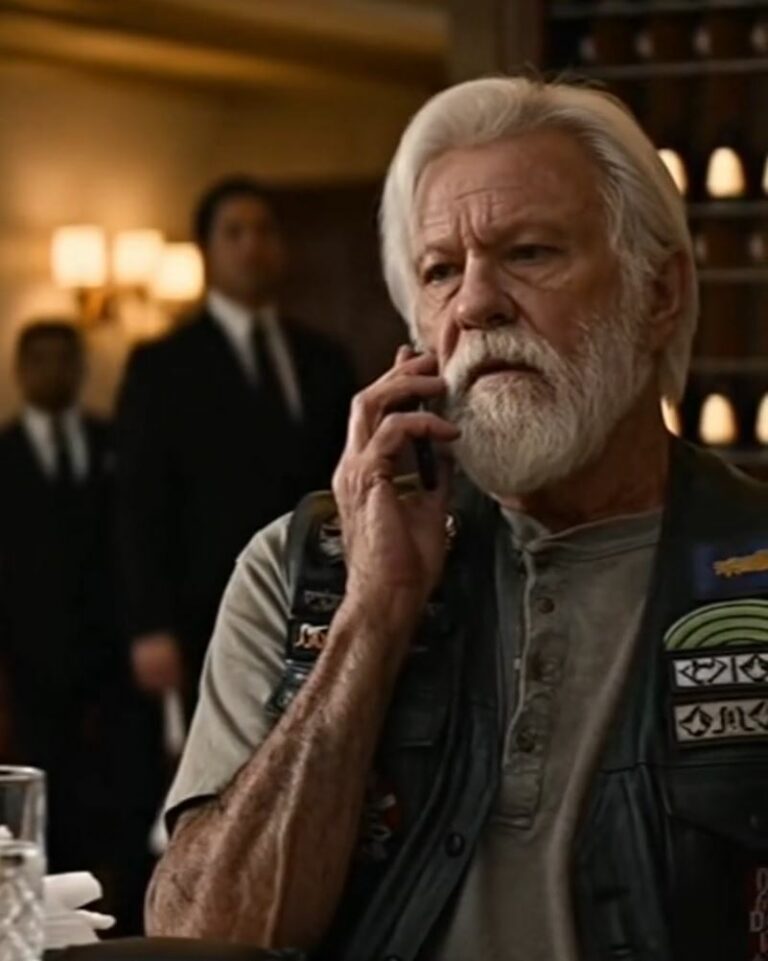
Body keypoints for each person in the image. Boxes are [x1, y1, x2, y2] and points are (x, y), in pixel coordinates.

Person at [145, 77, 768, 961]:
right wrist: (374, 614)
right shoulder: (294, 569)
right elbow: (203, 938)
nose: (476, 303)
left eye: (531, 253)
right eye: (440, 271)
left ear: (658, 294)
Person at [115, 176, 356, 704]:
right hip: (207, 604)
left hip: (318, 597)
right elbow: (139, 499)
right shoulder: (161, 365)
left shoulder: (324, 358)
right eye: (235, 232)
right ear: (206, 249)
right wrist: (150, 624)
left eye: (264, 231)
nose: (252, 245)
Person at [0, 321, 119, 872]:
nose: (53, 371)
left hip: (113, 662)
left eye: (64, 359)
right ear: (20, 371)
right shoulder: (4, 455)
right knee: (41, 804)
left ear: (81, 367)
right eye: (39, 360)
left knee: (114, 801)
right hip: (27, 663)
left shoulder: (114, 442)